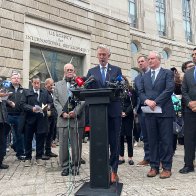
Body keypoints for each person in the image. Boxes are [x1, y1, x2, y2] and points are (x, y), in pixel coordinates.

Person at [86, 44, 122, 183]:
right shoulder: (91, 71)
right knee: (100, 142)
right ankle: (102, 169)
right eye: (100, 54)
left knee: (114, 142)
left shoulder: (116, 70)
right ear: (97, 55)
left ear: (109, 56)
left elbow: (120, 89)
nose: (102, 57)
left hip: (113, 112)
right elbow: (88, 91)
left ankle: (113, 171)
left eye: (104, 55)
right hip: (97, 114)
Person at [138, 51, 175, 179]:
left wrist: (156, 102)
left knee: (165, 141)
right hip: (150, 114)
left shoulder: (167, 73)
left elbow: (169, 89)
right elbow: (141, 92)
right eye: (148, 59)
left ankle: (166, 168)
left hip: (164, 112)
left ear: (159, 59)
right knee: (152, 140)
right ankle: (154, 166)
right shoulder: (144, 76)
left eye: (152, 58)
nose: (150, 60)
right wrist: (146, 101)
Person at [53, 63, 85, 176]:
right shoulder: (57, 85)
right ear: (64, 71)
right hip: (63, 120)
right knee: (63, 146)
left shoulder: (79, 84)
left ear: (74, 71)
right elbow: (55, 101)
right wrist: (62, 112)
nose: (70, 71)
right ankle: (65, 166)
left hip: (76, 119)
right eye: (68, 70)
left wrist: (75, 112)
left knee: (76, 145)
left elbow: (83, 100)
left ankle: (76, 166)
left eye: (71, 69)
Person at [21, 76, 52, 167]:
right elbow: (22, 104)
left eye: (38, 83)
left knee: (40, 139)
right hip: (29, 120)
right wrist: (32, 108)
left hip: (41, 120)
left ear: (40, 83)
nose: (36, 85)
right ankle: (27, 157)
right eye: (35, 83)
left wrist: (48, 107)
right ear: (32, 83)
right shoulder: (26, 92)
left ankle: (39, 157)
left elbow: (50, 102)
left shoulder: (45, 92)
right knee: (28, 139)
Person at [179, 48, 196, 174]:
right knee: (189, 138)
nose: (194, 56)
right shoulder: (188, 73)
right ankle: (188, 164)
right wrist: (190, 103)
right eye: (193, 54)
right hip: (190, 111)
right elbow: (183, 91)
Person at [134, 55, 150, 166]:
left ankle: (157, 158)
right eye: (139, 62)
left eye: (142, 61)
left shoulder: (153, 75)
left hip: (153, 108)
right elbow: (136, 95)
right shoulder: (137, 78)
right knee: (145, 135)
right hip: (141, 110)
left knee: (154, 134)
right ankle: (147, 157)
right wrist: (135, 108)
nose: (140, 63)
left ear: (147, 62)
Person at [6, 72, 25, 160]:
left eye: (18, 78)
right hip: (8, 115)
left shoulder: (23, 90)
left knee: (19, 135)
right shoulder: (6, 89)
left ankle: (20, 153)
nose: (16, 79)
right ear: (11, 79)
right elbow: (2, 99)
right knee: (4, 135)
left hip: (19, 116)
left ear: (20, 79)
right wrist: (9, 102)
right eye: (14, 78)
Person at [118, 75, 137, 166]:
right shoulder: (117, 90)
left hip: (128, 116)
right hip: (119, 115)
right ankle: (121, 157)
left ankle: (130, 157)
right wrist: (120, 112)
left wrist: (126, 112)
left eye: (123, 80)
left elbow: (133, 102)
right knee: (120, 137)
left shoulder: (131, 90)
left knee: (129, 137)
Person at [44, 78, 58, 158]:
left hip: (53, 116)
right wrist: (51, 105)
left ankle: (48, 151)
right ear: (46, 85)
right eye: (50, 84)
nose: (52, 85)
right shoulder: (44, 93)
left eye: (53, 84)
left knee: (51, 134)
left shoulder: (53, 93)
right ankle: (43, 151)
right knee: (46, 134)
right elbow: (46, 104)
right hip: (47, 117)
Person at [0, 91, 11, 169]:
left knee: (3, 143)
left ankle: (0, 162)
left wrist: (10, 103)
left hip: (3, 122)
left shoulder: (3, 99)